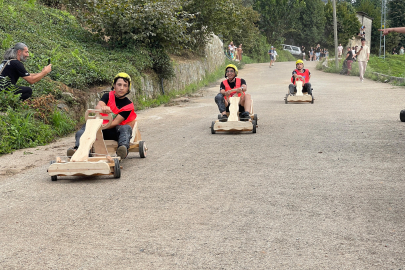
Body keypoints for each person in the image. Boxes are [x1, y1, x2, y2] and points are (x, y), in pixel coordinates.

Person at [67, 73, 136, 159]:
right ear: (114, 85)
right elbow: (98, 106)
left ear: (128, 88)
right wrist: (102, 108)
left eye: (125, 85)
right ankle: (78, 149)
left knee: (126, 128)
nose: (121, 88)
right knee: (84, 128)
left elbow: (116, 122)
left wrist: (101, 127)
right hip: (99, 129)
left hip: (114, 131)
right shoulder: (107, 96)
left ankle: (122, 149)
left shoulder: (128, 105)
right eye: (119, 84)